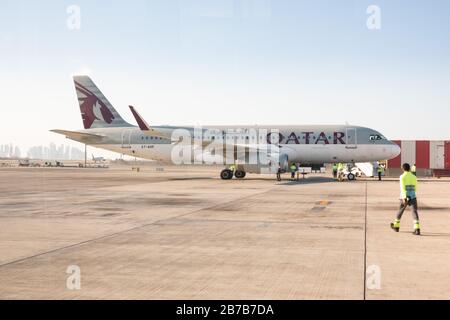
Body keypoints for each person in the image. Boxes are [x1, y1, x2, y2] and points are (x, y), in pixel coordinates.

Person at [391, 163, 421, 235]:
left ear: (403, 169)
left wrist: (404, 197)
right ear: (409, 168)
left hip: (404, 197)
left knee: (400, 211)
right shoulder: (414, 177)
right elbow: (416, 187)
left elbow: (402, 188)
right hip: (413, 196)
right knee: (414, 212)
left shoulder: (402, 176)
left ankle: (396, 226)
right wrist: (412, 194)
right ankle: (417, 229)